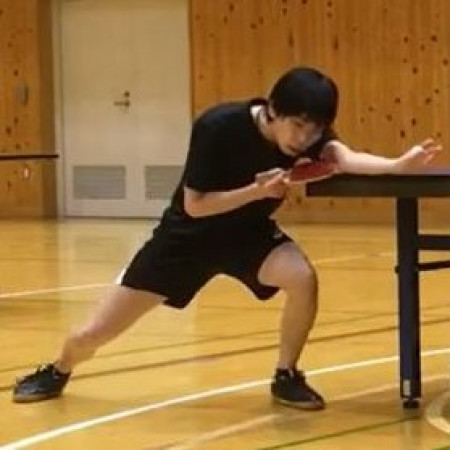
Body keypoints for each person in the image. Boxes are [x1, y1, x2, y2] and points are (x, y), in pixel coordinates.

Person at [12, 67, 440, 409]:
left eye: (314, 130)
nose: (305, 138)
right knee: (91, 334)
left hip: (246, 236)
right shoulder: (218, 126)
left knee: (301, 277)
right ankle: (58, 369)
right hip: (185, 239)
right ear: (272, 110)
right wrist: (257, 191)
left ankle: (286, 374)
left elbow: (343, 158)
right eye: (297, 126)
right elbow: (196, 205)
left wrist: (398, 165)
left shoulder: (311, 139)